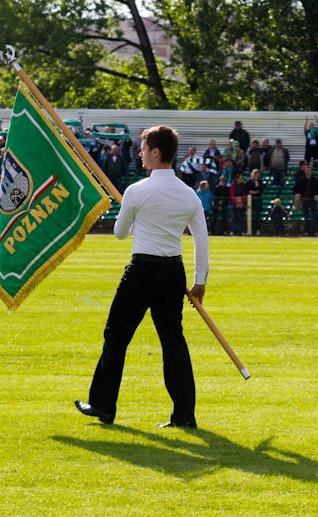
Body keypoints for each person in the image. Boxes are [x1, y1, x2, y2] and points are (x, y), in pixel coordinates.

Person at [74, 125, 208, 429]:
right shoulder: (189, 195)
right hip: (173, 273)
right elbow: (201, 240)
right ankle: (184, 415)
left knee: (116, 337)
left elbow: (120, 233)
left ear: (156, 152)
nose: (140, 152)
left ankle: (103, 406)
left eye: (144, 148)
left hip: (142, 271)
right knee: (173, 343)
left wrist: (134, 219)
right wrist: (200, 281)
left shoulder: (135, 191)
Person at [292, 165, 318, 236]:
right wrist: (297, 193)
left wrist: (317, 195)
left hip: (312, 200)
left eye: (309, 170)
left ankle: (316, 231)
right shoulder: (301, 180)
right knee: (306, 216)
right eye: (306, 170)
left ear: (311, 171)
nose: (308, 172)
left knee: (315, 216)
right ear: (305, 171)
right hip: (304, 199)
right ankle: (306, 231)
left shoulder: (315, 180)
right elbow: (294, 188)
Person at [244, 168, 263, 235]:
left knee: (257, 215)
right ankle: (249, 229)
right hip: (250, 200)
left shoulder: (260, 181)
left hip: (257, 199)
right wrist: (255, 192)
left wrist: (256, 182)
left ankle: (258, 229)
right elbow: (248, 191)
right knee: (249, 215)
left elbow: (260, 190)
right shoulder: (248, 182)